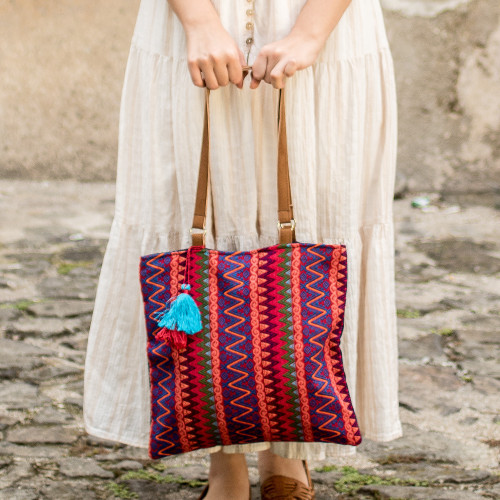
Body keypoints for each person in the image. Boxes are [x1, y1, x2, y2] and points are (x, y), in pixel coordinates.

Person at [83, 1, 403, 499]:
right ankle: (224, 463)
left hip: (324, 22)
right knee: (203, 228)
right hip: (197, 22)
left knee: (311, 214)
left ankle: (289, 454)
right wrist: (199, 20)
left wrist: (310, 32)